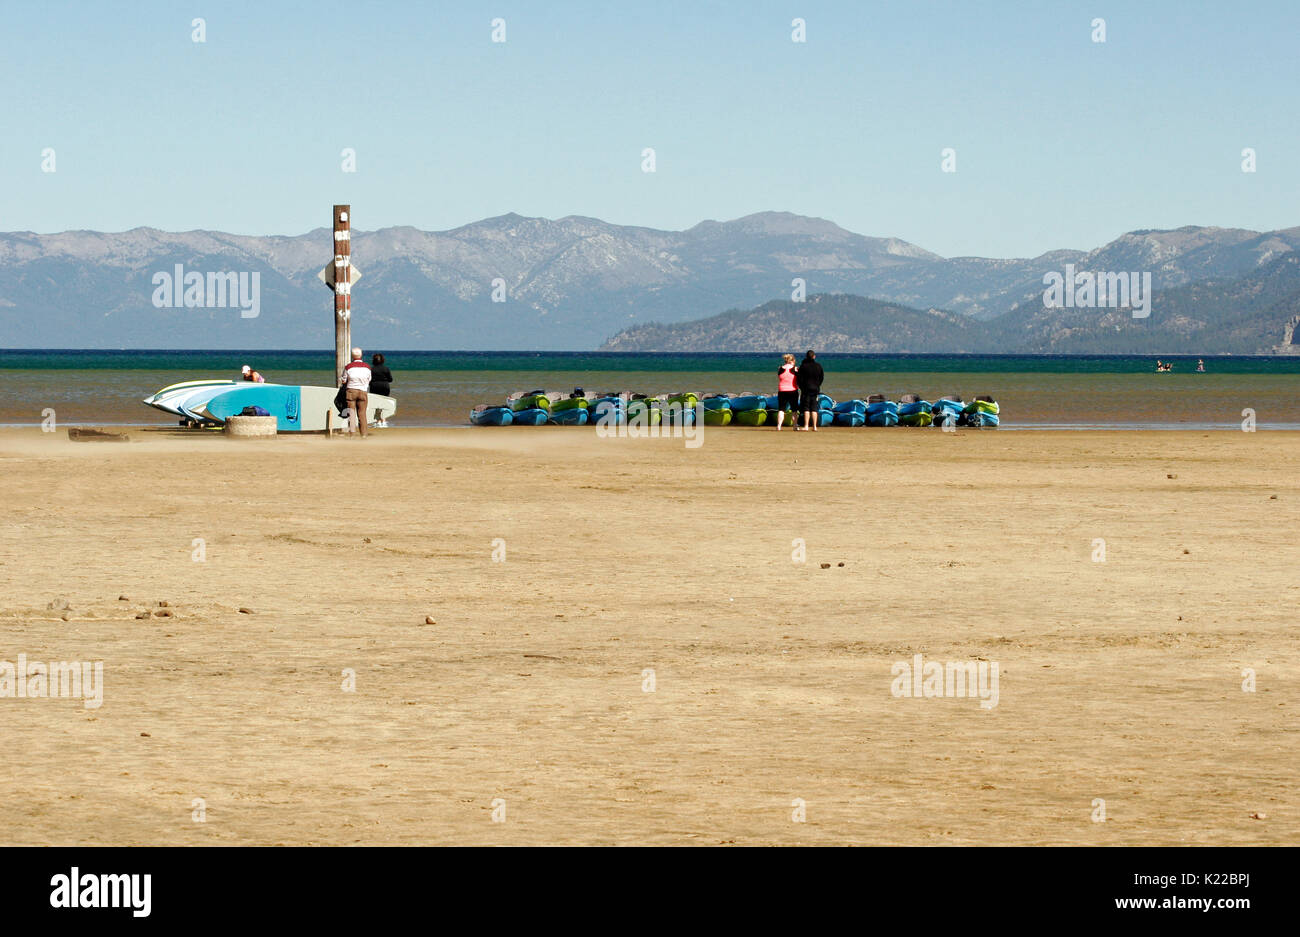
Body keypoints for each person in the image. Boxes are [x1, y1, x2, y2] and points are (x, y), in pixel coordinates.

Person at [341, 347, 372, 437]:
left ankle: (352, 434)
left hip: (351, 391)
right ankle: (364, 434)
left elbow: (344, 380)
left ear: (352, 356)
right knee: (362, 414)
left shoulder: (348, 367)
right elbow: (369, 379)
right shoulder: (367, 367)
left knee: (351, 413)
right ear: (361, 355)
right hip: (363, 391)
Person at [796, 350, 824, 432]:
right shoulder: (818, 366)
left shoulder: (803, 366)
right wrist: (817, 385)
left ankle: (806, 426)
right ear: (814, 356)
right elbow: (821, 377)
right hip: (815, 389)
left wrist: (801, 387)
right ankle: (815, 426)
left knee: (806, 408)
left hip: (806, 389)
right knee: (814, 408)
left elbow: (799, 379)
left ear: (806, 357)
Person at [775, 354, 799, 430]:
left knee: (781, 409)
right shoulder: (795, 369)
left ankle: (779, 426)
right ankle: (795, 426)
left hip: (782, 390)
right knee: (794, 410)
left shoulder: (780, 368)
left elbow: (780, 377)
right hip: (793, 390)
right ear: (792, 360)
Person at [369, 353, 393, 427]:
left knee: (376, 404)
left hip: (374, 386)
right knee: (384, 403)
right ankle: (384, 421)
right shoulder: (386, 369)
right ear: (382, 360)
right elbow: (390, 379)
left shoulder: (371, 369)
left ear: (373, 360)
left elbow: (368, 379)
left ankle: (378, 421)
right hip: (384, 386)